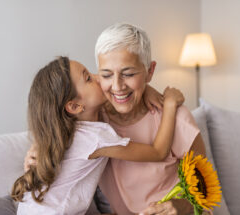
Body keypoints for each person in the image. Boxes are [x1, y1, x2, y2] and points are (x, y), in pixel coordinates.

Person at [24, 23, 206, 215]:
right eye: (106, 74)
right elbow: (54, 117)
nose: (117, 86)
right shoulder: (95, 120)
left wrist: (178, 206)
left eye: (128, 74)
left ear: (150, 71)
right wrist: (37, 150)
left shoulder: (176, 119)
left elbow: (205, 191)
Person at [11, 56, 185, 215]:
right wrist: (169, 105)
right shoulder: (95, 137)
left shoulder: (69, 131)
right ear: (75, 107)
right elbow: (158, 152)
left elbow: (121, 95)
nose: (98, 77)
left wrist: (146, 89)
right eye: (88, 78)